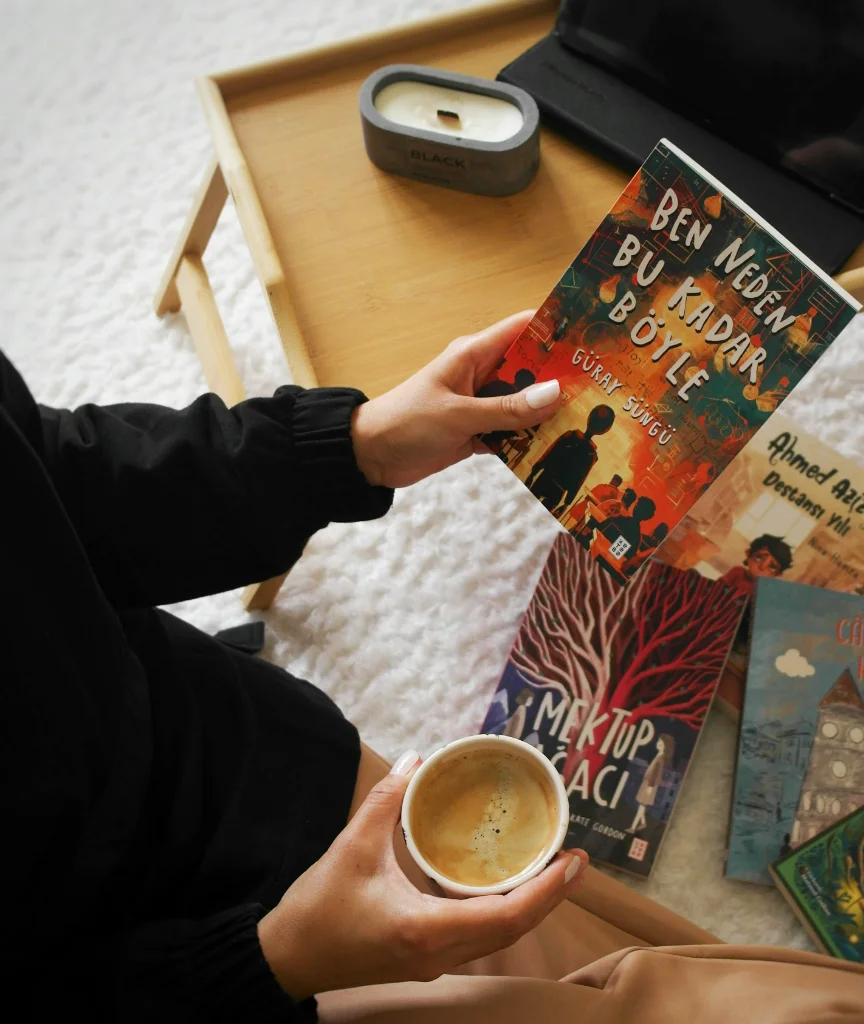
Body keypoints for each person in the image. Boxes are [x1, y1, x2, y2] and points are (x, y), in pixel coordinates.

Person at [0, 309, 590, 1022]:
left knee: (613, 943)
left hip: (225, 728)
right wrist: (275, 963)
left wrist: (349, 447)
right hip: (195, 975)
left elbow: (49, 476)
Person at [523, 404, 615, 516]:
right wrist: (567, 502)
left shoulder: (570, 435)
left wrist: (533, 472)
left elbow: (548, 454)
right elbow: (579, 481)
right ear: (605, 430)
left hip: (545, 478)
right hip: (558, 491)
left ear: (589, 417)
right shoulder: (592, 456)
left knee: (525, 507)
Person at [476, 366, 536, 457]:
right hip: (485, 436)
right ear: (526, 389)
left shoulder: (498, 384)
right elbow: (504, 430)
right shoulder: (515, 402)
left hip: (474, 421)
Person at [719, 533, 793, 598]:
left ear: (778, 574)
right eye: (758, 558)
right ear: (748, 554)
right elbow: (717, 588)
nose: (762, 567)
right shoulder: (737, 572)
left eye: (772, 567)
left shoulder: (764, 591)